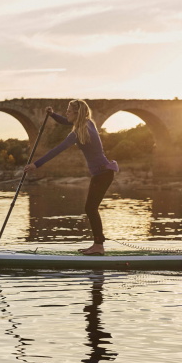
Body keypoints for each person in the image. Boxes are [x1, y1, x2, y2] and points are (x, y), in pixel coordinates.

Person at [24, 100, 119, 256]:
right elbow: (65, 121)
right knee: (91, 208)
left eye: (69, 111)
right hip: (103, 174)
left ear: (77, 113)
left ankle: (98, 246)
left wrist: (36, 164)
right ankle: (97, 244)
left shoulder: (77, 132)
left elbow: (57, 149)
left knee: (90, 208)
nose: (66, 113)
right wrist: (53, 115)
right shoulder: (89, 123)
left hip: (103, 174)